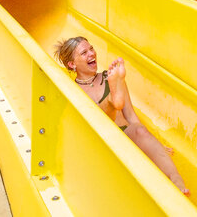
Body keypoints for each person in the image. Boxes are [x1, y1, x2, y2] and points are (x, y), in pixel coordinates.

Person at [55, 36, 189, 194]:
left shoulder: (110, 77)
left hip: (125, 133)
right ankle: (112, 102)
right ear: (72, 64)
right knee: (103, 115)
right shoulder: (71, 89)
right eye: (84, 53)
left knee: (140, 131)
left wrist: (152, 142)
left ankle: (176, 179)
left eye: (91, 48)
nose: (91, 53)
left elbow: (131, 115)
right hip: (101, 143)